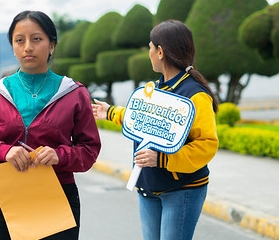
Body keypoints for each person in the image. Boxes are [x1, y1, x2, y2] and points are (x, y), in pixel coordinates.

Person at [0, 10, 101, 239]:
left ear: (52, 45)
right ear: (13, 46)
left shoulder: (74, 93)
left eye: (36, 39)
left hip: (57, 197)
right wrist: (4, 151)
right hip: (5, 198)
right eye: (20, 40)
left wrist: (60, 155)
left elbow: (89, 151)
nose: (27, 47)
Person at [92, 20, 219, 240]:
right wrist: (111, 112)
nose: (149, 53)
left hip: (182, 189)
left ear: (160, 52)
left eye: (150, 48)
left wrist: (161, 159)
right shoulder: (158, 87)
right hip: (149, 186)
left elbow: (207, 144)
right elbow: (141, 118)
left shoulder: (195, 94)